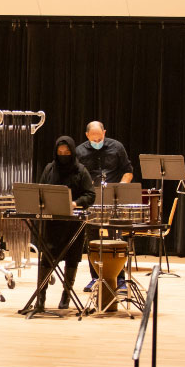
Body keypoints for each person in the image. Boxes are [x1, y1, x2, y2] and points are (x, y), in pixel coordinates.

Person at [38, 136, 95, 309]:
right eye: (60, 152)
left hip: (72, 224)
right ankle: (41, 295)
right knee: (46, 259)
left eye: (67, 151)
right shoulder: (49, 169)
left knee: (72, 259)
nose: (63, 154)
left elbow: (90, 195)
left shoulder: (81, 170)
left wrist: (75, 203)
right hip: (52, 223)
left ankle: (66, 294)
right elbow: (40, 190)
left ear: (72, 151)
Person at [76, 121, 133, 291]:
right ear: (87, 136)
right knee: (92, 240)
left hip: (113, 200)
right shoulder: (79, 151)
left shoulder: (117, 147)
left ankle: (120, 279)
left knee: (117, 239)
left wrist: (121, 186)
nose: (97, 142)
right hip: (92, 200)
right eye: (93, 139)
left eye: (100, 138)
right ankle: (95, 278)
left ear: (104, 133)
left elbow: (128, 170)